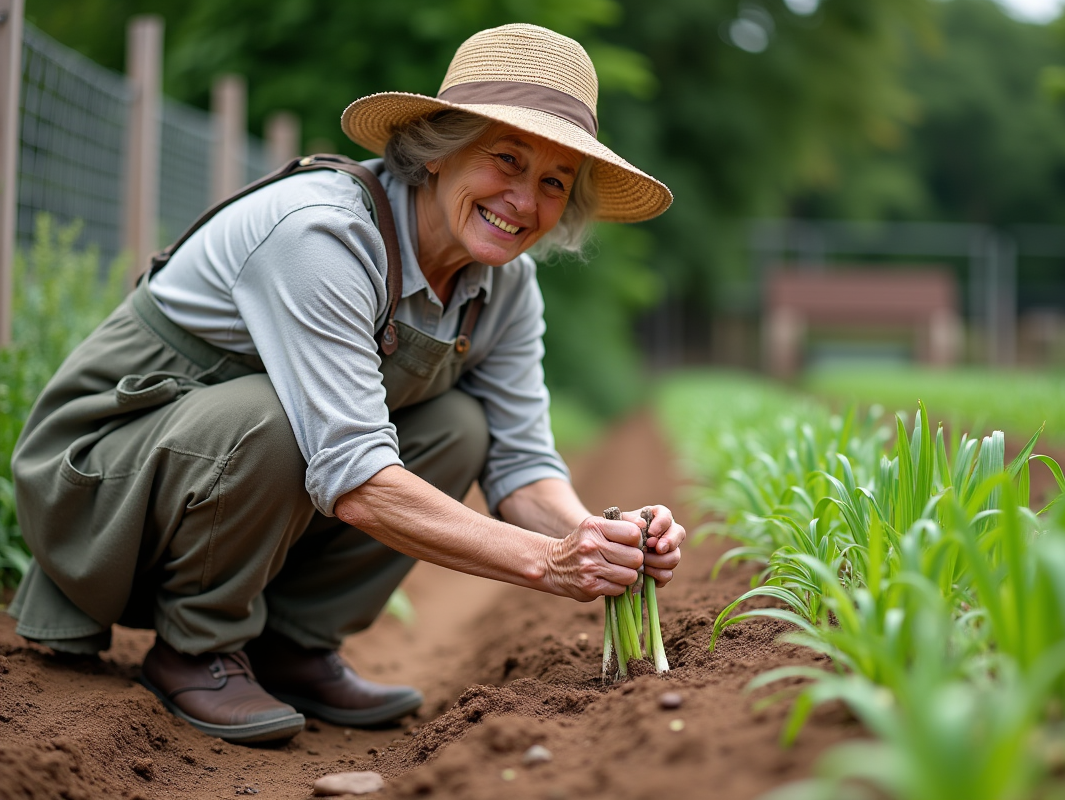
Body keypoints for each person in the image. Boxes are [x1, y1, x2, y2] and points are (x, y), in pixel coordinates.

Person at [6, 23, 683, 744]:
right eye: (506, 160)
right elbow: (356, 478)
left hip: (222, 480)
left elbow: (519, 462)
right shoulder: (324, 234)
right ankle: (197, 649)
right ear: (439, 150)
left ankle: (293, 645)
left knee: (460, 428)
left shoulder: (504, 287)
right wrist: (548, 564)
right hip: (100, 482)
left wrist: (595, 537)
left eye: (553, 182)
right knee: (271, 420)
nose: (523, 199)